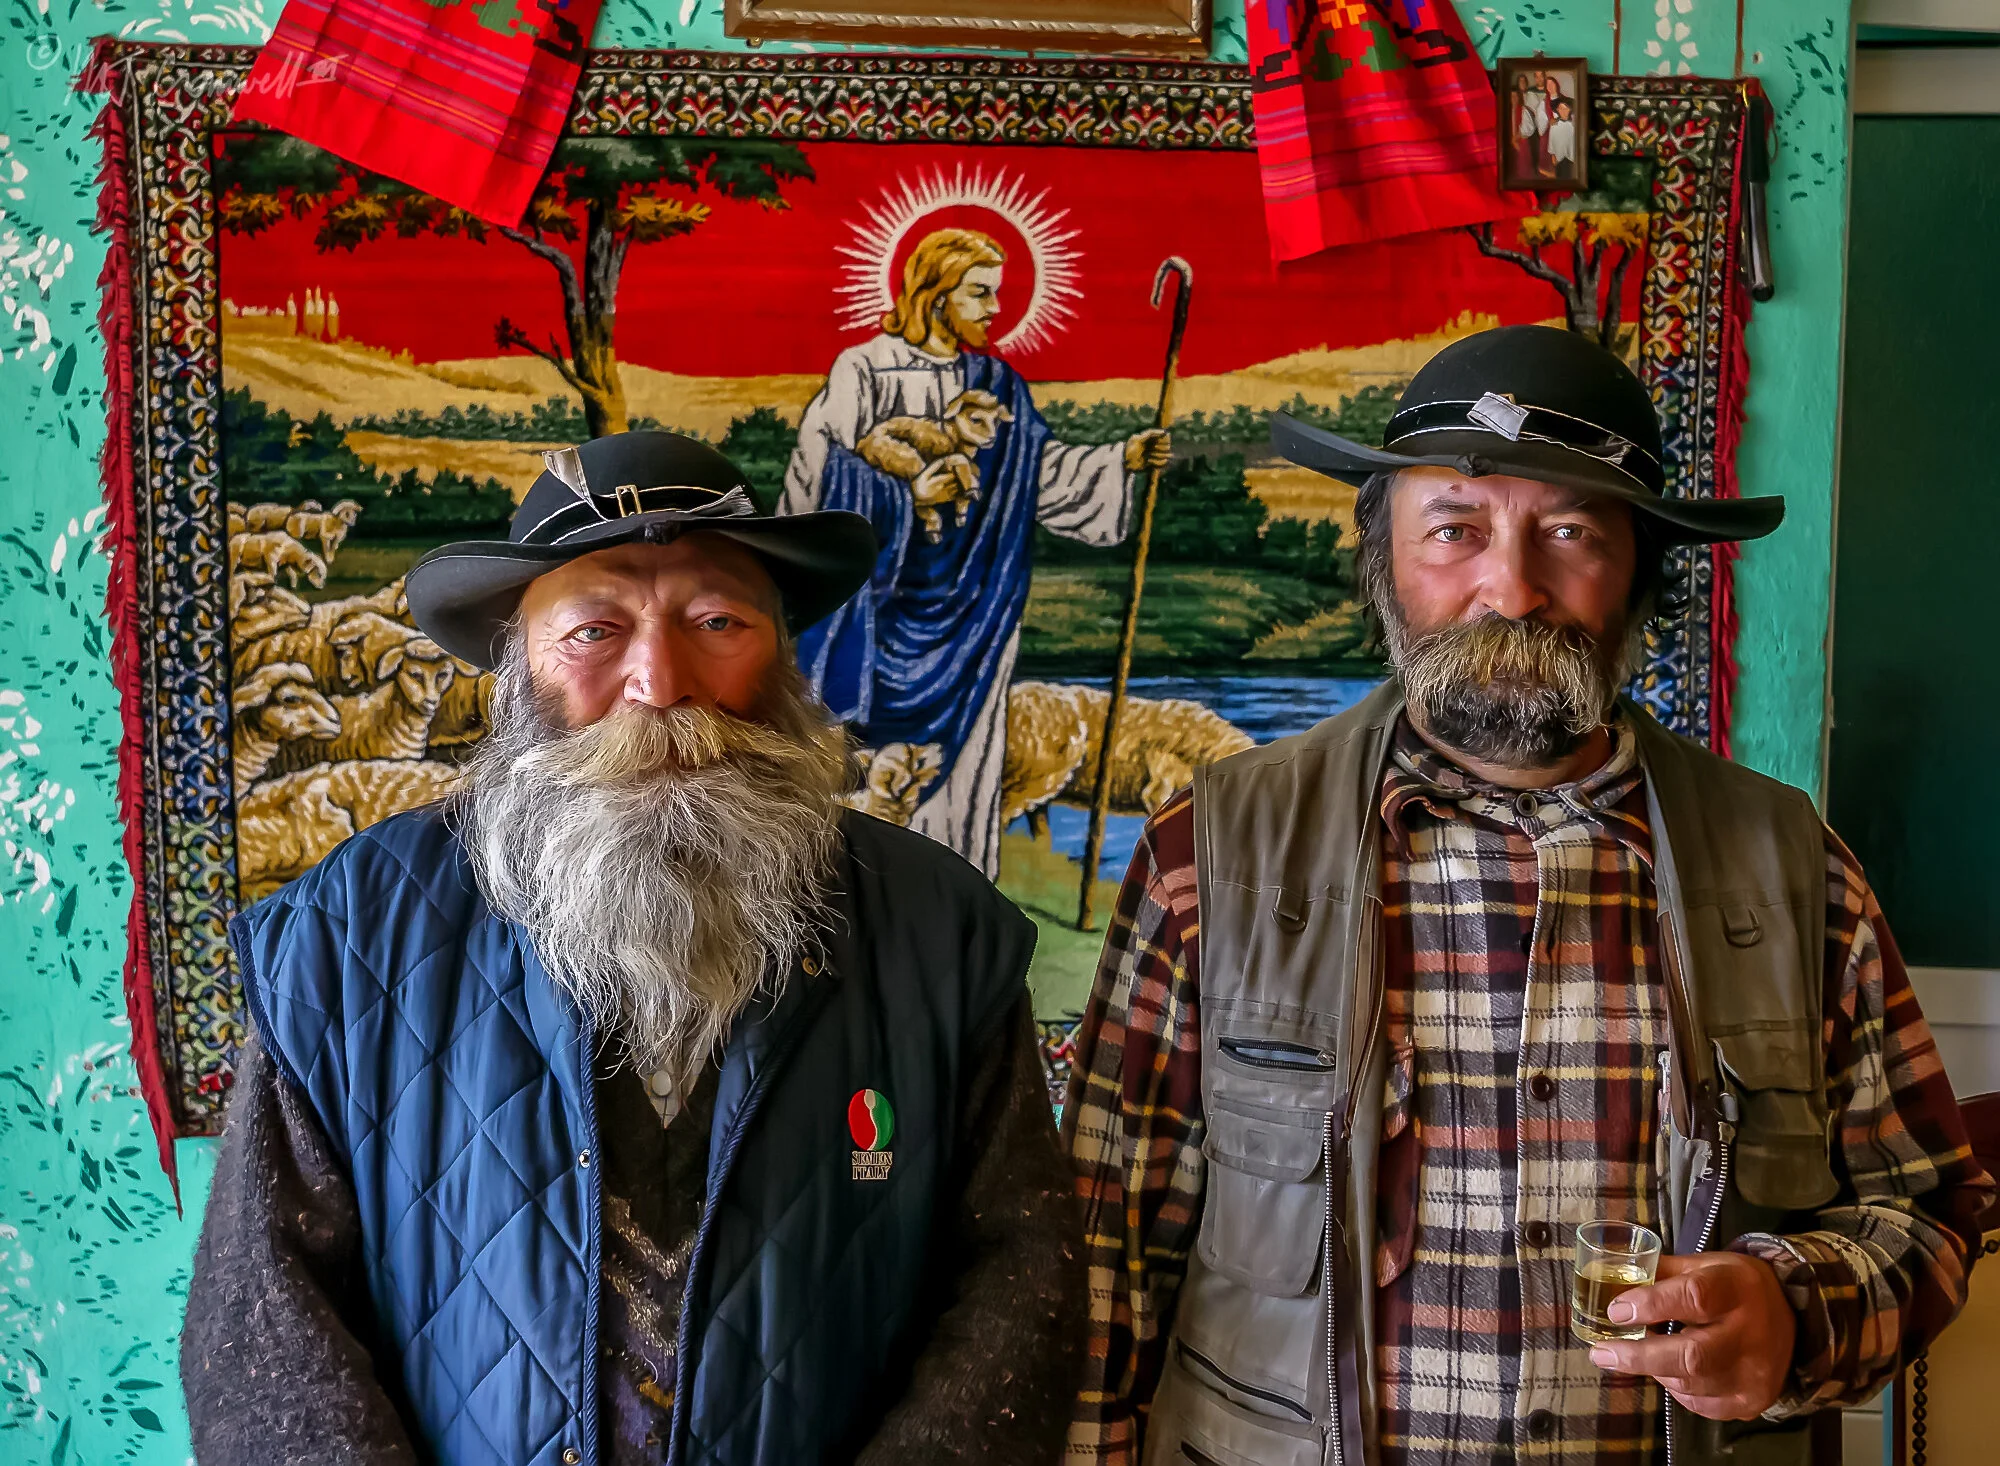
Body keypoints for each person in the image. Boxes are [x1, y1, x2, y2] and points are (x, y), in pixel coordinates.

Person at [1062, 326, 1994, 1466]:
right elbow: (1100, 1265)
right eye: (1453, 529)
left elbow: (1931, 1213)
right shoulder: (1204, 859)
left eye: (1568, 531)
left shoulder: (1795, 874)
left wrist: (1794, 1308)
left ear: (1638, 574)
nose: (1509, 587)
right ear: (1381, 564)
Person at [182, 432, 1086, 1466]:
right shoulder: (346, 935)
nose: (658, 681)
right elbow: (266, 1327)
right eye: (594, 628)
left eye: (715, 620)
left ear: (782, 655)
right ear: (517, 667)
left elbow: (1018, 1279)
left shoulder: (939, 929)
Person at [778, 227, 1172, 878]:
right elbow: (820, 486)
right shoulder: (866, 369)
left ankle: (953, 905)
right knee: (848, 778)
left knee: (961, 784)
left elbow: (1035, 475)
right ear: (936, 298)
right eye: (981, 294)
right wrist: (904, 494)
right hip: (871, 615)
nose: (996, 309)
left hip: (973, 616)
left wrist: (1117, 461)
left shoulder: (998, 383)